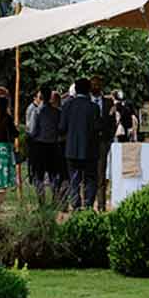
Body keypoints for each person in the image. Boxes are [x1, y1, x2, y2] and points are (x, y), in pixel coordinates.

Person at [61, 78, 102, 208]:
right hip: (90, 150)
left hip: (72, 149)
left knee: (74, 179)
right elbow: (97, 127)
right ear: (89, 90)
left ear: (76, 89)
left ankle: (75, 205)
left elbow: (62, 127)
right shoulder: (94, 107)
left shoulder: (67, 106)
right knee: (90, 179)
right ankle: (89, 205)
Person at [30, 85, 63, 192]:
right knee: (53, 173)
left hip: (40, 145)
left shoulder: (37, 111)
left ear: (41, 97)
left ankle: (41, 200)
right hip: (54, 145)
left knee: (39, 174)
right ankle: (55, 197)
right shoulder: (57, 112)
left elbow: (33, 131)